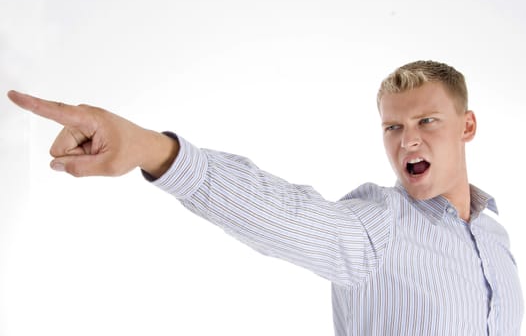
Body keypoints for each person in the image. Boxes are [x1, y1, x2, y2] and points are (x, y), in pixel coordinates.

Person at [7, 60, 524, 335]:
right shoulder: (380, 225)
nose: (407, 140)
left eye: (426, 121)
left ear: (467, 125)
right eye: (393, 126)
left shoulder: (495, 237)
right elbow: (285, 213)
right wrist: (151, 149)